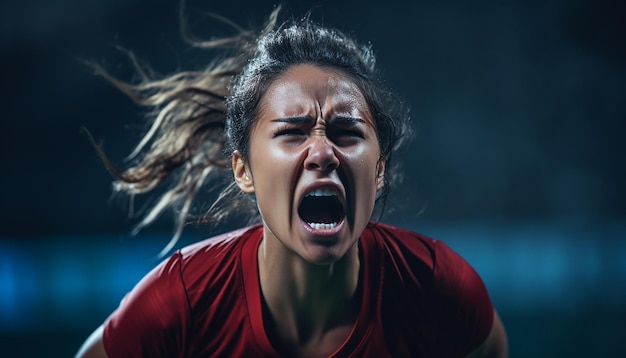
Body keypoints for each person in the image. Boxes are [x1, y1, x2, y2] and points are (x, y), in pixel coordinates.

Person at [77, 7, 507, 358]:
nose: (322, 152)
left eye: (346, 132)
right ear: (243, 169)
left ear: (378, 171)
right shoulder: (182, 303)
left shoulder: (436, 288)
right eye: (292, 132)